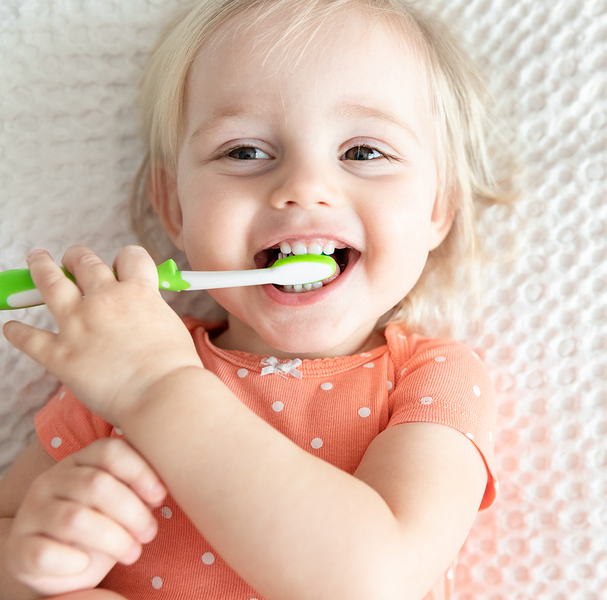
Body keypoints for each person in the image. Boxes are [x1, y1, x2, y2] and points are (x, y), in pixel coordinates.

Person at [0, 0, 517, 598]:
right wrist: (29, 561)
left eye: (363, 152)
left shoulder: (433, 379)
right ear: (175, 207)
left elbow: (371, 580)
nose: (304, 188)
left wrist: (157, 389)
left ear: (437, 209)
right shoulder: (122, 358)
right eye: (244, 152)